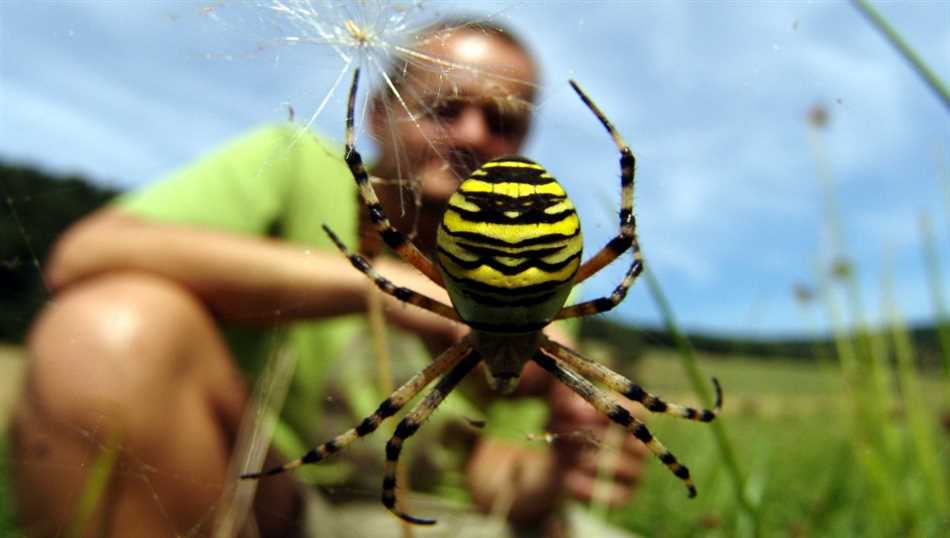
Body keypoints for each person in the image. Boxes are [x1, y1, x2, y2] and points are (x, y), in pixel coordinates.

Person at [11, 19, 646, 537]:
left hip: (447, 521)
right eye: (444, 107)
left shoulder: (538, 274)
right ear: (378, 113)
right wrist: (384, 287)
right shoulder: (296, 168)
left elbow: (494, 478)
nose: (473, 134)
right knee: (108, 330)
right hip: (276, 501)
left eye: (503, 120)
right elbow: (87, 253)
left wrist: (563, 470)